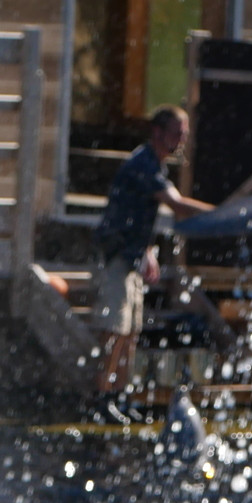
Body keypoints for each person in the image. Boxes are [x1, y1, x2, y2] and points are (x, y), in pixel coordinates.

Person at [87, 104, 210, 419]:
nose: (180, 142)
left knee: (131, 333)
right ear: (157, 132)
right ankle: (101, 399)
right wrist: (221, 215)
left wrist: (149, 250)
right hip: (115, 256)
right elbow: (176, 204)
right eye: (175, 134)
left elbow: (141, 213)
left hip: (132, 256)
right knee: (114, 330)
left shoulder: (157, 165)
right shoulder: (143, 163)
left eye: (183, 136)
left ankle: (120, 396)